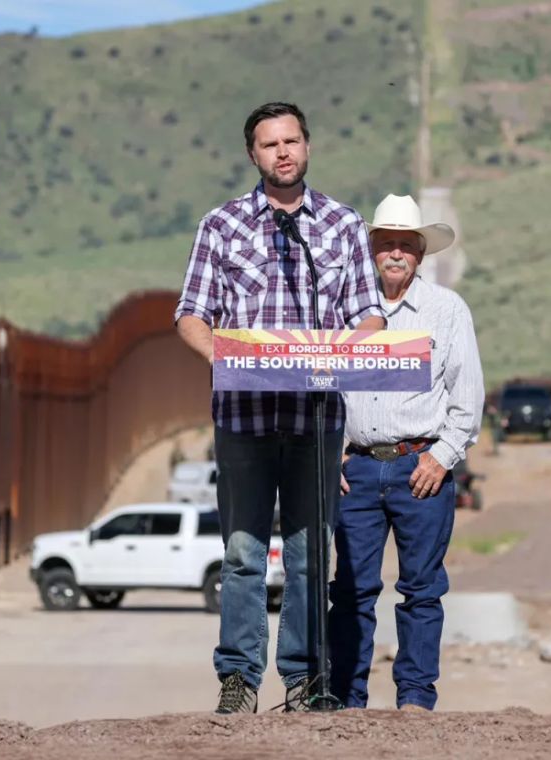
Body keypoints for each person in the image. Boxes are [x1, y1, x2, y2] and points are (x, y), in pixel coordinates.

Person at [174, 102, 387, 713]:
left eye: (292, 141)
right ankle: (239, 677)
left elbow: (368, 314)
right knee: (242, 551)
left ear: (308, 147)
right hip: (243, 417)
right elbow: (191, 315)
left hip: (315, 417)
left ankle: (304, 677)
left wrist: (347, 350)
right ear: (253, 155)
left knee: (309, 552)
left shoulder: (342, 225)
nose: (283, 152)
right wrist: (228, 359)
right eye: (270, 144)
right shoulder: (222, 225)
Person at [328, 194, 484, 711]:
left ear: (420, 252)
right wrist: (332, 455)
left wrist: (441, 457)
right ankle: (348, 699)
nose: (395, 254)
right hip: (358, 468)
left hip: (422, 467)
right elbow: (318, 385)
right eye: (385, 244)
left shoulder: (446, 310)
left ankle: (415, 699)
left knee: (421, 589)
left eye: (405, 246)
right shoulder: (340, 309)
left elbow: (467, 397)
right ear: (369, 250)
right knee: (351, 589)